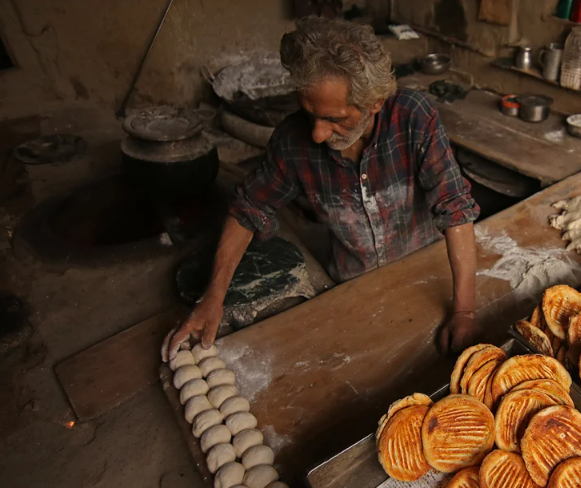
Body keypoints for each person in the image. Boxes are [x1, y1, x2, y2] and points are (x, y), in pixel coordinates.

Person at [162, 17, 479, 361]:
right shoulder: (292, 140)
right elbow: (247, 210)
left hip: (424, 273)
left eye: (335, 119)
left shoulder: (414, 118)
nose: (317, 133)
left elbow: (455, 207)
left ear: (374, 103)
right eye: (310, 114)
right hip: (349, 285)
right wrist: (213, 297)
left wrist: (464, 311)